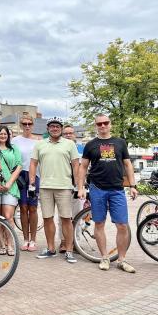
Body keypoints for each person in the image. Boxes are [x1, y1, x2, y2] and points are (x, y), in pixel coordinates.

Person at [78, 114, 138, 273]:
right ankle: (104, 257)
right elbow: (83, 167)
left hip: (117, 189)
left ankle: (122, 260)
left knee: (122, 225)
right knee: (99, 224)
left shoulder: (120, 143)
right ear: (96, 126)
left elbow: (128, 164)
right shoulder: (90, 145)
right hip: (97, 188)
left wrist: (133, 185)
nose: (102, 126)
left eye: (105, 123)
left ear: (110, 124)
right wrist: (81, 187)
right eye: (99, 124)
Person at [30, 117, 79, 264]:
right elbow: (33, 164)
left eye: (57, 126)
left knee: (66, 219)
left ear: (61, 129)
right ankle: (51, 249)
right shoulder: (39, 144)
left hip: (64, 186)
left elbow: (76, 165)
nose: (55, 128)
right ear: (48, 128)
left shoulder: (69, 144)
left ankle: (69, 250)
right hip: (45, 186)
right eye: (52, 126)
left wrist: (77, 185)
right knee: (47, 218)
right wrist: (32, 183)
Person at [0, 125, 22, 255]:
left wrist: (8, 183)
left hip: (10, 186)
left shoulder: (14, 149)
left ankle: (10, 244)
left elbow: (18, 166)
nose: (3, 136)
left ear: (8, 135)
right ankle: (1, 244)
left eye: (5, 134)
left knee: (8, 216)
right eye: (0, 134)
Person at [11, 114, 40, 251]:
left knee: (33, 207)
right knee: (23, 207)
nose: (27, 126)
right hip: (21, 175)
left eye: (29, 123)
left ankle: (33, 239)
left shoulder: (38, 141)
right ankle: (25, 239)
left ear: (33, 125)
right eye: (24, 124)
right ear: (21, 125)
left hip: (35, 175)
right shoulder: (15, 141)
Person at [56, 124, 84, 253]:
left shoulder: (81, 150)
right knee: (63, 216)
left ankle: (76, 242)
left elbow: (84, 169)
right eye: (65, 133)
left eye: (70, 133)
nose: (68, 135)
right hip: (63, 186)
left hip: (76, 186)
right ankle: (63, 242)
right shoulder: (59, 149)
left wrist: (81, 186)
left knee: (77, 216)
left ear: (74, 134)